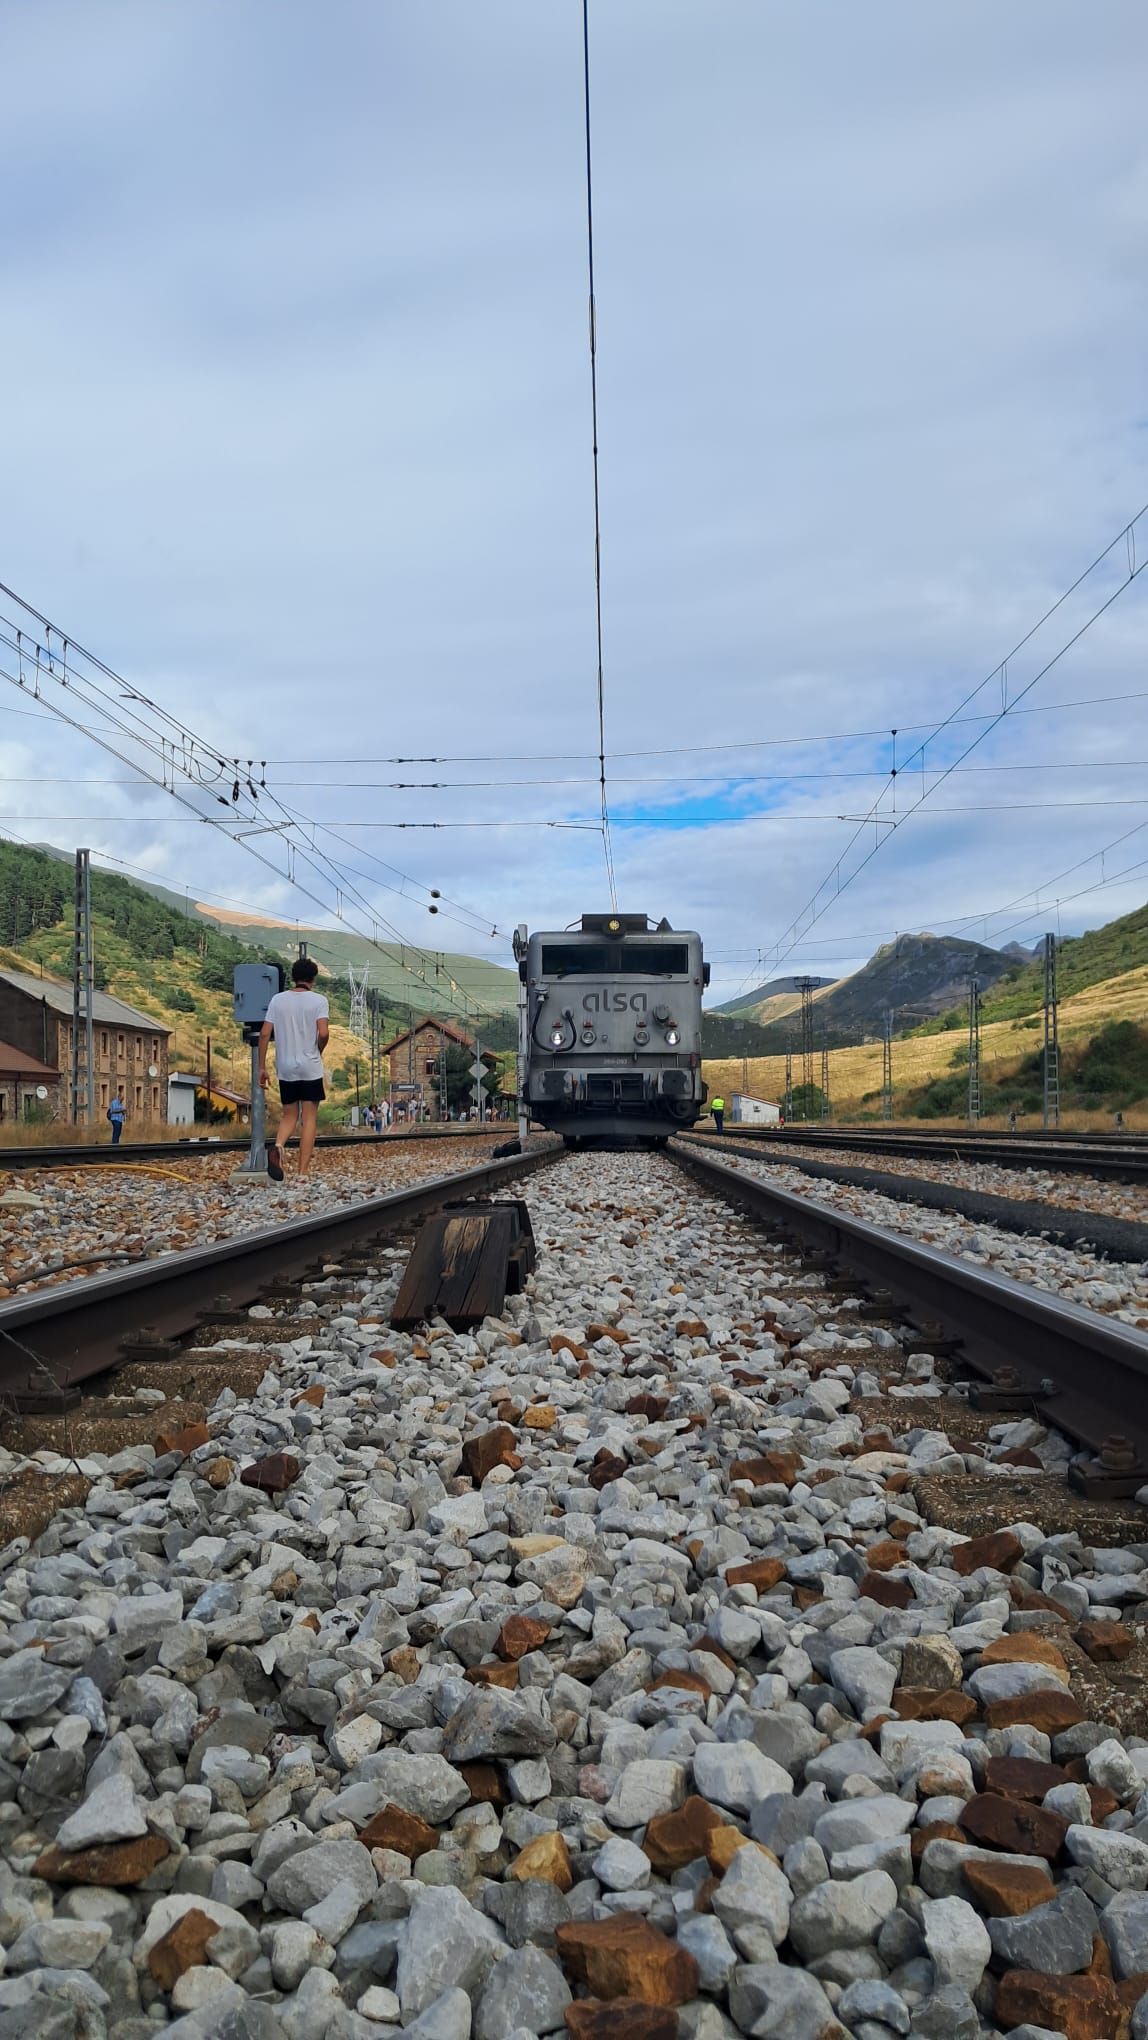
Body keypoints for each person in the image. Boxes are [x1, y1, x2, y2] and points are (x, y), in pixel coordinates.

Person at [258, 958, 330, 1180]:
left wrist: (262, 1067)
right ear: (313, 979)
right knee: (308, 1119)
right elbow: (324, 1033)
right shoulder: (318, 1001)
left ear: (293, 976)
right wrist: (318, 1048)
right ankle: (302, 1172)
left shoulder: (277, 1000)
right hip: (310, 1067)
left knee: (289, 1114)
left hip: (286, 1067)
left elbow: (264, 1034)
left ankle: (278, 1146)